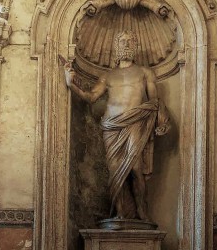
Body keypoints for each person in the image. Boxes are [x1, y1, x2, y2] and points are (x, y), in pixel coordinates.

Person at [65, 30, 169, 221]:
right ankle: (120, 213)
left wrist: (162, 119)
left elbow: (155, 101)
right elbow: (91, 97)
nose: (126, 45)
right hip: (111, 126)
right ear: (116, 47)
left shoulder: (145, 72)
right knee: (114, 171)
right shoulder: (108, 75)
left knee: (136, 169)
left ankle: (142, 212)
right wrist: (71, 84)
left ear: (136, 47)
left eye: (130, 42)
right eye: (122, 42)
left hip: (135, 123)